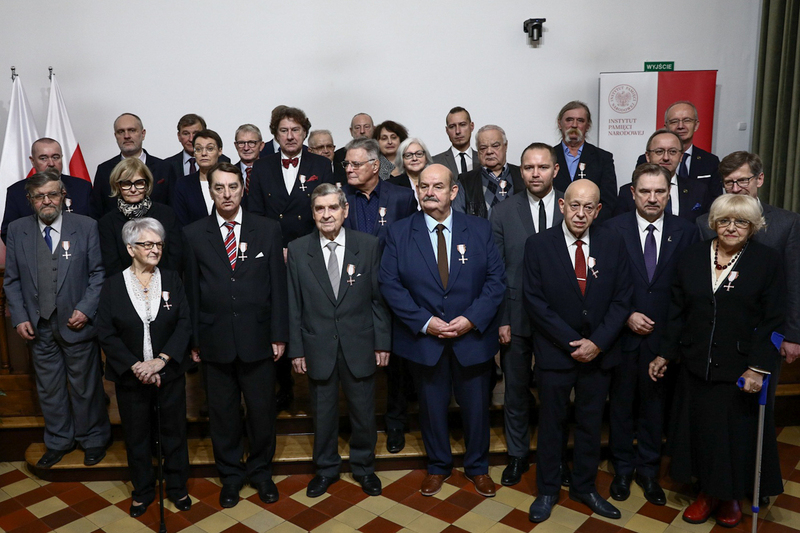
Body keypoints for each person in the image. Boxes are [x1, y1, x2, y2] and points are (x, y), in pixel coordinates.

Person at [651, 194, 784, 528]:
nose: (731, 228)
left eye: (741, 222)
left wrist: (757, 367)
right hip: (696, 362)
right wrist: (666, 352)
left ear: (753, 226)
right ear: (714, 223)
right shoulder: (694, 255)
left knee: (732, 436)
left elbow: (773, 319)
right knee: (701, 432)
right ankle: (705, 493)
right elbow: (677, 310)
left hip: (740, 367)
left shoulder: (766, 261)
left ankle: (728, 498)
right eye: (724, 220)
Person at [379, 164, 506, 498]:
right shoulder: (398, 232)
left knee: (477, 408)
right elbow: (390, 285)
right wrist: (425, 322)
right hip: (425, 340)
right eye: (423, 186)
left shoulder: (479, 229)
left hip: (472, 337)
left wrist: (471, 319)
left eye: (437, 186)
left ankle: (478, 468)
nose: (429, 192)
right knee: (431, 409)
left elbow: (496, 282)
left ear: (453, 192)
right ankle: (438, 467)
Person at [524, 180, 631, 523]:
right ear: (561, 206)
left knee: (589, 424)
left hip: (599, 355)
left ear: (598, 210)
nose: (580, 213)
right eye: (574, 205)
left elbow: (622, 298)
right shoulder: (538, 245)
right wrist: (573, 343)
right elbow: (535, 302)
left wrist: (597, 343)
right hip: (556, 355)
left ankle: (585, 487)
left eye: (589, 207)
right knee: (552, 424)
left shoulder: (614, 242)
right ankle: (547, 490)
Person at [183, 162, 288, 508]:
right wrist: (195, 339)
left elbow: (278, 287)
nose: (226, 194)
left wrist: (278, 334)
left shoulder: (268, 229)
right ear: (210, 191)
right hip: (214, 341)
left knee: (261, 412)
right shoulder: (194, 234)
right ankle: (230, 476)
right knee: (224, 414)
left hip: (259, 338)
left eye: (232, 187)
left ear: (243, 188)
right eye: (219, 188)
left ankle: (260, 473)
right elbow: (192, 293)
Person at [287, 183, 391, 497]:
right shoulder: (297, 249)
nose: (327, 214)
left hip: (359, 343)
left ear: (345, 211)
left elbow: (378, 300)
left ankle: (364, 468)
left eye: (333, 208)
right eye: (320, 209)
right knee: (324, 414)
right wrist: (297, 348)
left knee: (363, 412)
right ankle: (326, 469)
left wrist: (382, 342)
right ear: (313, 213)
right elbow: (294, 304)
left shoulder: (369, 245)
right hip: (317, 345)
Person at [4, 170, 111, 468]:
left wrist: (86, 309)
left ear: (63, 196)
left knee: (85, 386)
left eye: (52, 194)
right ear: (30, 200)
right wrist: (20, 317)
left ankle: (93, 439)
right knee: (49, 388)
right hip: (38, 326)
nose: (46, 201)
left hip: (77, 322)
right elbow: (11, 280)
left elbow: (98, 273)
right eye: (39, 197)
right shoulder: (16, 230)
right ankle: (59, 441)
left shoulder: (86, 226)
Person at [604, 164, 697, 505]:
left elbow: (689, 292)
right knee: (621, 407)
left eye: (659, 191)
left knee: (655, 409)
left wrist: (669, 346)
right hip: (622, 337)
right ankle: (622, 470)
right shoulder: (612, 229)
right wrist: (626, 314)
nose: (652, 198)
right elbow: (604, 286)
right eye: (645, 191)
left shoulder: (686, 232)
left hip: (664, 341)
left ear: (669, 192)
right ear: (633, 193)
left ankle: (648, 470)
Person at [97, 218, 192, 517]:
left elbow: (184, 323)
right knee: (137, 436)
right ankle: (143, 490)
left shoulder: (172, 279)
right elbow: (106, 332)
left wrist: (161, 361)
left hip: (168, 372)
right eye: (147, 244)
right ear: (130, 248)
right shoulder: (113, 285)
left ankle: (177, 487)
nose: (155, 249)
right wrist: (135, 366)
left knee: (174, 433)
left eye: (158, 244)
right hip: (131, 377)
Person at [248, 106, 334, 411]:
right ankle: (283, 386)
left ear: (305, 133)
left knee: (312, 317)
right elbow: (255, 215)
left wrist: (298, 249)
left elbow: (326, 211)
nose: (290, 135)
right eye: (283, 130)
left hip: (310, 253)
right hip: (273, 256)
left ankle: (320, 383)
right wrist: (276, 249)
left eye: (295, 130)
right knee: (280, 321)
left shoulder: (320, 165)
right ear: (274, 134)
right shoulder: (262, 167)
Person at [489, 142, 563, 486]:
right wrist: (501, 318)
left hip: (561, 320)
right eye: (529, 168)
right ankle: (518, 455)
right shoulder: (504, 211)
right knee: (516, 390)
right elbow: (496, 270)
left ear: (555, 170)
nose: (536, 173)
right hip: (515, 318)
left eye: (543, 167)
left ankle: (554, 458)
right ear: (521, 172)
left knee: (555, 393)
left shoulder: (571, 206)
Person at [341, 138, 417, 453]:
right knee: (355, 365)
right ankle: (358, 424)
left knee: (397, 365)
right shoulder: (338, 197)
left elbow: (413, 245)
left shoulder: (401, 198)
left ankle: (396, 423)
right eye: (346, 163)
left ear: (375, 166)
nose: (349, 169)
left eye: (356, 163)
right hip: (350, 294)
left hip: (393, 293)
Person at [99, 158, 183, 277]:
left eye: (139, 183)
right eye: (127, 184)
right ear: (118, 186)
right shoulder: (107, 222)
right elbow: (112, 265)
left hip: (165, 285)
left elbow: (175, 257)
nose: (133, 190)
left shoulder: (166, 214)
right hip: (126, 289)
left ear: (147, 184)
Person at [2, 138, 92, 243]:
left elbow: (93, 228)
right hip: (34, 254)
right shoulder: (16, 191)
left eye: (55, 157)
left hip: (77, 253)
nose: (51, 163)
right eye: (43, 158)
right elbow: (8, 233)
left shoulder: (82, 187)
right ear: (32, 161)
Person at [614, 130, 711, 223]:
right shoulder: (627, 192)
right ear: (648, 156)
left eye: (672, 152)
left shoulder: (699, 190)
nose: (666, 158)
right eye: (659, 151)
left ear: (681, 156)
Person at [636, 101, 721, 196]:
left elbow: (715, 202)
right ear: (666, 127)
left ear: (696, 125)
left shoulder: (710, 161)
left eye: (687, 120)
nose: (680, 126)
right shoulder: (645, 160)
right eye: (674, 122)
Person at [553, 101, 617, 222]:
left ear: (587, 126)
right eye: (569, 120)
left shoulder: (603, 158)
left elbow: (609, 202)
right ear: (560, 123)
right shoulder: (548, 157)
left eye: (580, 120)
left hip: (592, 228)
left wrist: (586, 224)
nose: (574, 125)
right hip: (555, 227)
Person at [91, 113, 166, 217]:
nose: (126, 136)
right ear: (115, 136)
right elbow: (97, 212)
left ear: (143, 134)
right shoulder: (104, 170)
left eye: (132, 130)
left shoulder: (164, 167)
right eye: (121, 132)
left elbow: (172, 209)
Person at [453, 125, 524, 219]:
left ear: (505, 146)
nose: (489, 151)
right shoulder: (465, 182)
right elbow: (458, 220)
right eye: (483, 148)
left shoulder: (522, 175)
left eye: (495, 146)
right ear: (478, 151)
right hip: (480, 233)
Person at [172, 129, 223, 226]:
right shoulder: (183, 184)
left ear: (220, 151)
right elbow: (180, 222)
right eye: (198, 149)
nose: (204, 153)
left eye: (210, 149)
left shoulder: (230, 180)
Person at [162, 114, 231, 183]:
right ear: (179, 136)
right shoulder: (167, 165)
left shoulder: (223, 160)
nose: (191, 139)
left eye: (196, 133)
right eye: (186, 134)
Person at [432, 106, 480, 177]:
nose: (458, 131)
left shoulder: (483, 159)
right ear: (447, 130)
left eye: (462, 125)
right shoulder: (435, 162)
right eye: (452, 126)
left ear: (471, 126)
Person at [333, 113, 374, 181]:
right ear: (351, 131)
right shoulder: (339, 155)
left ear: (374, 129)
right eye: (357, 128)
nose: (362, 131)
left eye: (366, 127)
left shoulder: (382, 152)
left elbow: (388, 179)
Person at [233, 123, 265, 199]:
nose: (246, 148)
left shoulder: (271, 171)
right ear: (236, 146)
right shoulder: (230, 173)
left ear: (261, 146)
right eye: (241, 143)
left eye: (251, 143)